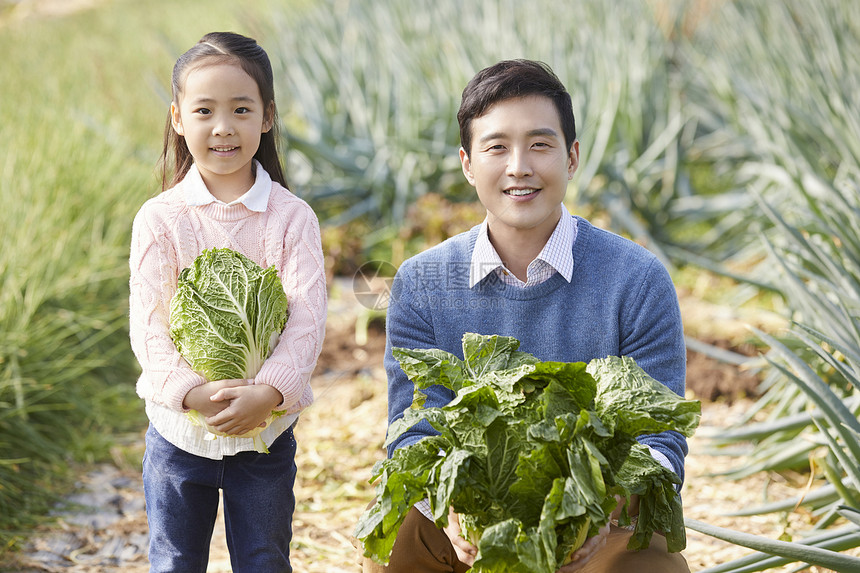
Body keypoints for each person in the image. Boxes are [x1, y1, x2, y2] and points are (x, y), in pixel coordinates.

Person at [363, 59, 690, 572]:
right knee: (398, 538)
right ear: (468, 164)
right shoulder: (422, 283)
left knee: (652, 562)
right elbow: (414, 432)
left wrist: (595, 514)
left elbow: (661, 436)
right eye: (497, 147)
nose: (519, 166)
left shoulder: (637, 278)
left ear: (572, 156)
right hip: (469, 521)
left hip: (599, 525)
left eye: (540, 144)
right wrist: (454, 513)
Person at [129, 32, 326, 573]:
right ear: (177, 118)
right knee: (174, 561)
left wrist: (269, 392)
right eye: (204, 110)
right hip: (178, 433)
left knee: (265, 559)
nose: (223, 127)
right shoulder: (160, 219)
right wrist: (190, 393)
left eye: (241, 109)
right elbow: (149, 327)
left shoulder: (291, 218)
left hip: (266, 435)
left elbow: (307, 322)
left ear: (266, 117)